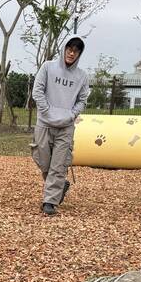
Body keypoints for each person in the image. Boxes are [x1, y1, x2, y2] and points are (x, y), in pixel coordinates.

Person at [30, 37, 90, 216]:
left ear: (79, 54)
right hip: (44, 123)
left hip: (66, 126)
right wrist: (46, 111)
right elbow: (37, 91)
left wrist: (71, 115)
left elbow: (82, 100)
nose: (72, 53)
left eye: (76, 50)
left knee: (58, 164)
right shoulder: (48, 67)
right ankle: (59, 185)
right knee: (42, 159)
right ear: (64, 49)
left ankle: (50, 201)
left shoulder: (82, 76)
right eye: (69, 48)